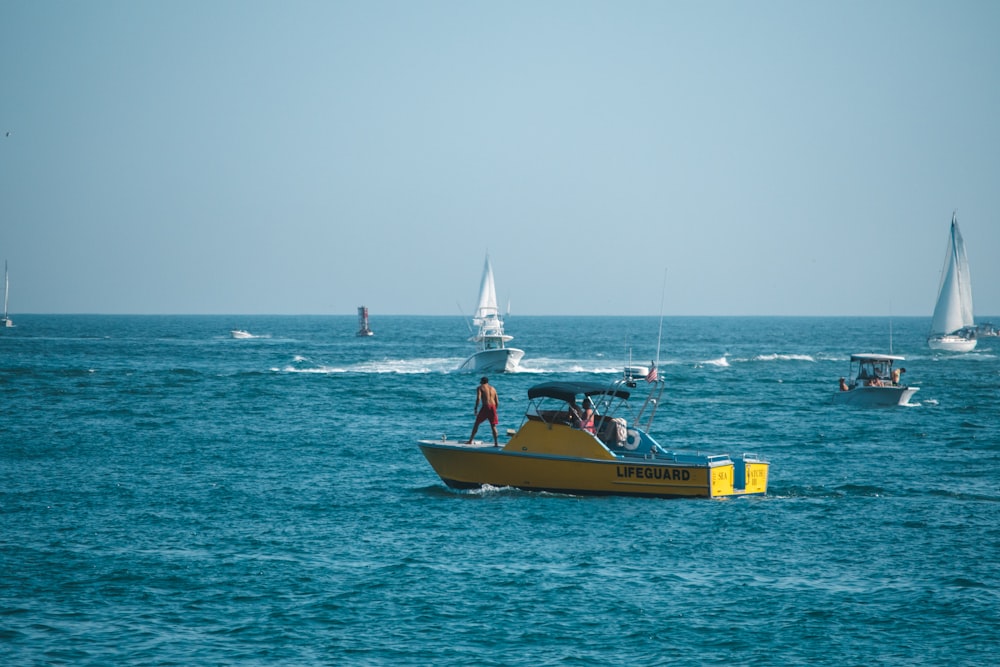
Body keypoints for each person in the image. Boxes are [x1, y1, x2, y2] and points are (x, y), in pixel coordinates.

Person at [468, 376, 500, 446]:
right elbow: (497, 402)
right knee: (493, 426)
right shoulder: (493, 389)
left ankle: (470, 441)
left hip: (486, 406)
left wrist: (475, 408)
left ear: (481, 382)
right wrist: (494, 410)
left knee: (477, 423)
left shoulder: (480, 387)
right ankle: (496, 443)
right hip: (493, 407)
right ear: (487, 382)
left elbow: (478, 398)